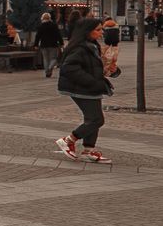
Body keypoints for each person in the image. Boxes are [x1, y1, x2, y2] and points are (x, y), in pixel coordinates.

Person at [56, 17, 114, 163]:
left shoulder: (92, 45)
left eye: (101, 29)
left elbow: (93, 67)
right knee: (96, 119)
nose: (101, 33)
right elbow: (69, 68)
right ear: (87, 31)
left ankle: (88, 150)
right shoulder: (79, 48)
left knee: (92, 119)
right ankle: (68, 140)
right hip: (81, 88)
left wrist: (111, 70)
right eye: (98, 30)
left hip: (90, 87)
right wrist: (92, 82)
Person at [33, 11, 63, 77]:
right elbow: (58, 35)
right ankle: (50, 68)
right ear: (49, 18)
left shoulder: (41, 26)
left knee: (45, 59)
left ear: (42, 18)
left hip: (44, 45)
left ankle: (47, 72)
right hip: (53, 44)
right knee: (54, 58)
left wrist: (36, 45)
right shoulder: (54, 25)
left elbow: (37, 36)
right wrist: (61, 43)